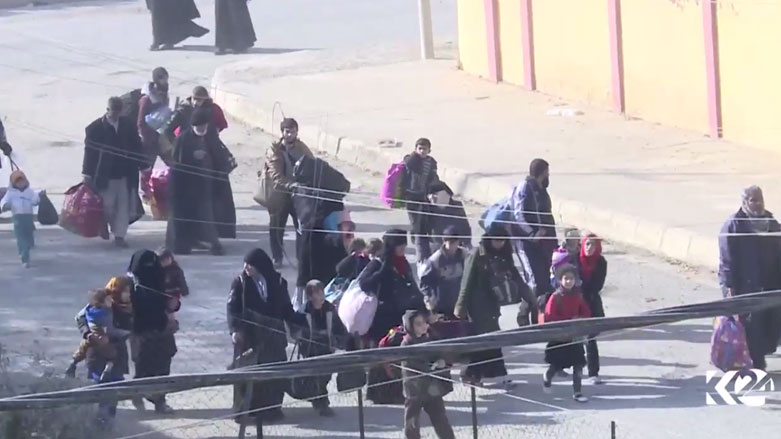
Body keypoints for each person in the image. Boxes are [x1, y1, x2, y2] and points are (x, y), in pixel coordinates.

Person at [228, 248, 301, 423]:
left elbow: (286, 308)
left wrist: (297, 326)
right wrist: (235, 329)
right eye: (245, 264)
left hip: (273, 337)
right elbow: (232, 308)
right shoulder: (240, 283)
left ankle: (271, 409)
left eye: (250, 264)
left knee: (273, 374)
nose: (246, 267)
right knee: (248, 374)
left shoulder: (278, 282)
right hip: (250, 337)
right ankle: (245, 411)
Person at [455, 223, 532, 388]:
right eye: (496, 240)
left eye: (502, 240)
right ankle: (474, 375)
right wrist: (460, 305)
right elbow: (466, 281)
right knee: (484, 341)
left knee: (491, 339)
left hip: (493, 304)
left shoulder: (504, 254)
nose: (499, 243)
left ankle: (487, 375)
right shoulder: (477, 254)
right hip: (477, 305)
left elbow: (516, 277)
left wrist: (530, 298)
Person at [718, 185, 781, 370]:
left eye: (760, 199)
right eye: (753, 200)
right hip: (745, 285)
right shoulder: (734, 225)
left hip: (769, 283)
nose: (758, 203)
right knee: (751, 327)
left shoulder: (771, 223)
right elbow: (726, 260)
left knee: (770, 322)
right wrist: (729, 287)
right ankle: (756, 363)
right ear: (744, 202)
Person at [359, 229, 425, 404]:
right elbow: (364, 283)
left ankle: (396, 393)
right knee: (382, 356)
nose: (403, 249)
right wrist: (383, 271)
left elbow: (411, 286)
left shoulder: (403, 263)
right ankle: (379, 394)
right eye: (399, 245)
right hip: (381, 319)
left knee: (397, 355)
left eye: (404, 245)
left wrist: (423, 307)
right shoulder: (378, 263)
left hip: (399, 316)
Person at [166, 108, 237, 255]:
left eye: (204, 126)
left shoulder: (210, 137)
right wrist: (194, 157)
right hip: (187, 188)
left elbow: (219, 156)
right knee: (186, 218)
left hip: (206, 186)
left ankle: (214, 244)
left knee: (207, 217)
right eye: (199, 127)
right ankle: (186, 243)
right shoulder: (183, 140)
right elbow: (177, 166)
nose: (201, 129)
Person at [83, 97, 146, 248]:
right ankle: (106, 225)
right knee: (108, 206)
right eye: (113, 112)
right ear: (107, 110)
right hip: (105, 176)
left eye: (118, 112)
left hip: (125, 174)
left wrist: (144, 165)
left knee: (123, 207)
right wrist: (87, 174)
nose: (116, 115)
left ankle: (119, 236)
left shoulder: (128, 125)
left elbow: (137, 146)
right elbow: (89, 152)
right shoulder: (94, 129)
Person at [128, 249, 176, 414]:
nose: (149, 268)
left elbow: (169, 302)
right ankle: (136, 393)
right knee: (143, 368)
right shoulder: (130, 284)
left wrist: (173, 306)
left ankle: (160, 401)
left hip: (161, 330)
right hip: (140, 332)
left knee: (163, 368)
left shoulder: (159, 278)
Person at [263, 118, 314, 267]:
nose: (290, 134)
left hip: (297, 195)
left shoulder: (302, 148)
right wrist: (291, 184)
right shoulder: (275, 150)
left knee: (302, 227)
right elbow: (275, 174)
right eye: (287, 131)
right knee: (276, 227)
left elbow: (312, 165)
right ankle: (277, 257)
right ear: (282, 132)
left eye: (293, 131)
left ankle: (301, 258)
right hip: (279, 194)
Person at [400, 309, 456, 439]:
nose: (424, 326)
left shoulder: (432, 337)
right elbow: (413, 365)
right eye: (418, 324)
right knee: (412, 422)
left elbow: (443, 352)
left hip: (432, 387)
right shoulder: (406, 343)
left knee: (440, 419)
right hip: (414, 389)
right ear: (410, 326)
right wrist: (433, 366)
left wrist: (443, 361)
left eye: (424, 322)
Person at [298, 280, 348, 417]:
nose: (321, 296)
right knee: (316, 377)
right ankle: (322, 404)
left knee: (325, 377)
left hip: (327, 348)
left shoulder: (329, 309)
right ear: (310, 296)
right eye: (317, 293)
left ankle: (319, 400)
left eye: (321, 292)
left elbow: (339, 328)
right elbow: (297, 330)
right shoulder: (304, 311)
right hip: (311, 350)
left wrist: (342, 342)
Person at [542, 264, 591, 403]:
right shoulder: (555, 297)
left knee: (578, 365)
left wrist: (580, 319)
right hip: (560, 337)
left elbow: (587, 312)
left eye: (572, 278)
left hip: (574, 336)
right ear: (560, 280)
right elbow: (549, 316)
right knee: (557, 364)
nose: (569, 281)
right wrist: (569, 320)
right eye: (566, 278)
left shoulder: (578, 296)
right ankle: (547, 376)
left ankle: (577, 392)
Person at [510, 158, 556, 299]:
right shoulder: (525, 187)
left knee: (545, 280)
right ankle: (529, 310)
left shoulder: (541, 190)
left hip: (544, 243)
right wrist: (532, 234)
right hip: (527, 243)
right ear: (541, 173)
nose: (548, 176)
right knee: (534, 282)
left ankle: (544, 310)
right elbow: (518, 215)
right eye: (547, 173)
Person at [65, 288, 131, 381]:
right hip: (97, 350)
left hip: (116, 349)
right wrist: (87, 333)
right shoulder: (101, 310)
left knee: (116, 375)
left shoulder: (121, 308)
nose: (128, 294)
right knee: (97, 374)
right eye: (125, 291)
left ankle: (74, 363)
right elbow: (80, 319)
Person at [403, 138, 439, 263]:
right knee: (415, 221)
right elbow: (408, 163)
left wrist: (433, 190)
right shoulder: (412, 159)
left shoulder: (431, 162)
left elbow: (434, 177)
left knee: (424, 220)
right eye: (420, 148)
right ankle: (417, 240)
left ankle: (421, 239)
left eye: (425, 149)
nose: (422, 151)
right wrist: (415, 154)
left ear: (429, 150)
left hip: (424, 196)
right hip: (411, 195)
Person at [420, 226, 467, 318]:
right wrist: (430, 299)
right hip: (441, 305)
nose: (453, 246)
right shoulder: (435, 260)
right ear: (444, 241)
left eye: (455, 242)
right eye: (450, 242)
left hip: (459, 302)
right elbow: (424, 283)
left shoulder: (463, 255)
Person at [579, 233, 607, 384]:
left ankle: (593, 373)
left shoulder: (601, 262)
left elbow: (597, 285)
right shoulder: (575, 258)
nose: (589, 247)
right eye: (587, 244)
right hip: (575, 303)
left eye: (593, 245)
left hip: (592, 303)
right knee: (569, 339)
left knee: (590, 339)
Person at [1, 170, 39, 267]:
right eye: (18, 182)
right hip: (17, 217)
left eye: (22, 181)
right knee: (21, 237)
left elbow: (35, 199)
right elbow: (4, 201)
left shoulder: (29, 191)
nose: (21, 184)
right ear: (14, 183)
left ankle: (28, 245)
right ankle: (24, 257)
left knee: (28, 234)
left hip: (28, 217)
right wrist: (5, 205)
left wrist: (36, 200)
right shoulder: (11, 193)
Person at [138, 68, 171, 164]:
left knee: (172, 160)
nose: (166, 82)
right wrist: (145, 138)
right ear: (157, 79)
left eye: (166, 79)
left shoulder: (163, 94)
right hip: (149, 137)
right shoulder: (146, 98)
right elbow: (140, 121)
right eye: (163, 79)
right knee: (148, 164)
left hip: (159, 134)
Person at [426, 181, 472, 250]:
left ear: (445, 194)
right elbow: (420, 234)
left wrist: (466, 243)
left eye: (435, 194)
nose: (431, 197)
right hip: (436, 248)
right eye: (429, 194)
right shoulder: (427, 209)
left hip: (457, 246)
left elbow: (465, 228)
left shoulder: (457, 206)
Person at [158, 248, 189, 333]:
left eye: (166, 260)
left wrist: (184, 291)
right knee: (161, 309)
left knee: (170, 309)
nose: (164, 262)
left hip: (173, 293)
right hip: (161, 293)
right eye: (162, 261)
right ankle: (162, 325)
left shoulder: (176, 270)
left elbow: (182, 281)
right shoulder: (157, 270)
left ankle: (171, 325)